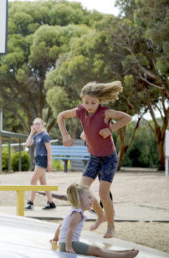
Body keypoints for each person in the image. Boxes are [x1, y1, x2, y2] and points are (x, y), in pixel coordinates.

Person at [57, 81, 131, 238]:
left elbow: (127, 118)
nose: (89, 106)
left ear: (100, 101)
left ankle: (111, 226)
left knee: (103, 193)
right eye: (86, 102)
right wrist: (65, 135)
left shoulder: (105, 112)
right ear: (82, 100)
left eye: (93, 102)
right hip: (94, 158)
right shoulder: (80, 111)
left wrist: (110, 129)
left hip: (109, 158)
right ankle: (101, 216)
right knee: (82, 189)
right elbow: (61, 116)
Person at [50, 184, 139, 258]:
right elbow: (70, 229)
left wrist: (55, 239)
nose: (92, 200)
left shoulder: (75, 211)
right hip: (69, 244)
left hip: (67, 243)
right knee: (96, 250)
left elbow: (61, 226)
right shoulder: (77, 214)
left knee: (97, 249)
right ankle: (124, 256)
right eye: (89, 198)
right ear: (79, 199)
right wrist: (68, 246)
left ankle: (123, 252)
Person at [24, 118, 56, 210]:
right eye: (35, 124)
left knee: (33, 181)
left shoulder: (45, 135)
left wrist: (49, 164)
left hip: (43, 159)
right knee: (43, 183)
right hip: (38, 160)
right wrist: (31, 132)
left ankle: (31, 202)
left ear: (43, 124)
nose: (37, 126)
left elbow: (49, 150)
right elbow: (28, 143)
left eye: (38, 124)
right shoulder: (36, 136)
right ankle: (51, 203)